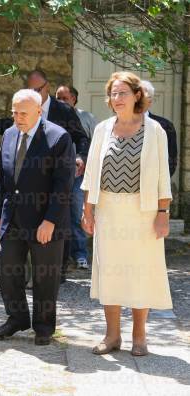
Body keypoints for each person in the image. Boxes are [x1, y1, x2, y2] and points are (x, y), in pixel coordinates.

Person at [81, 71, 173, 356]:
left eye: (122, 93)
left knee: (140, 272)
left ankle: (140, 336)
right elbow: (91, 173)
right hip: (108, 210)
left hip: (143, 211)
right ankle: (111, 336)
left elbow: (162, 176)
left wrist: (163, 212)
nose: (116, 98)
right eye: (113, 93)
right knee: (110, 271)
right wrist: (88, 210)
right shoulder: (102, 129)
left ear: (137, 96)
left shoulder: (155, 130)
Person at [0, 70, 88, 283]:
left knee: (65, 217)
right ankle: (24, 280)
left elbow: (80, 137)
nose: (33, 92)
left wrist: (79, 157)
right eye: (30, 88)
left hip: (57, 180)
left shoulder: (63, 111)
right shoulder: (17, 120)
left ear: (47, 87)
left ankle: (60, 269)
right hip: (21, 193)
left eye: (37, 89)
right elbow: (6, 126)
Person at [0, 89, 75, 346]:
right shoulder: (8, 134)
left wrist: (50, 220)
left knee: (45, 276)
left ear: (39, 111)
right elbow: (2, 178)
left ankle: (43, 326)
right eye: (14, 112)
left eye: (23, 113)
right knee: (8, 269)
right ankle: (17, 318)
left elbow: (63, 185)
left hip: (45, 220)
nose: (18, 117)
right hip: (13, 217)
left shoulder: (58, 137)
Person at [55, 85, 97, 270]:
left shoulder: (87, 118)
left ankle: (80, 254)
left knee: (75, 213)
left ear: (74, 98)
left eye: (65, 98)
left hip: (79, 175)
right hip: (56, 173)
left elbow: (96, 144)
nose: (61, 101)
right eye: (58, 97)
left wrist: (86, 161)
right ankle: (59, 257)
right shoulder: (53, 117)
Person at [139, 80, 178, 176]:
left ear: (150, 101)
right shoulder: (116, 124)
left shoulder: (165, 125)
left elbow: (171, 160)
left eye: (142, 97)